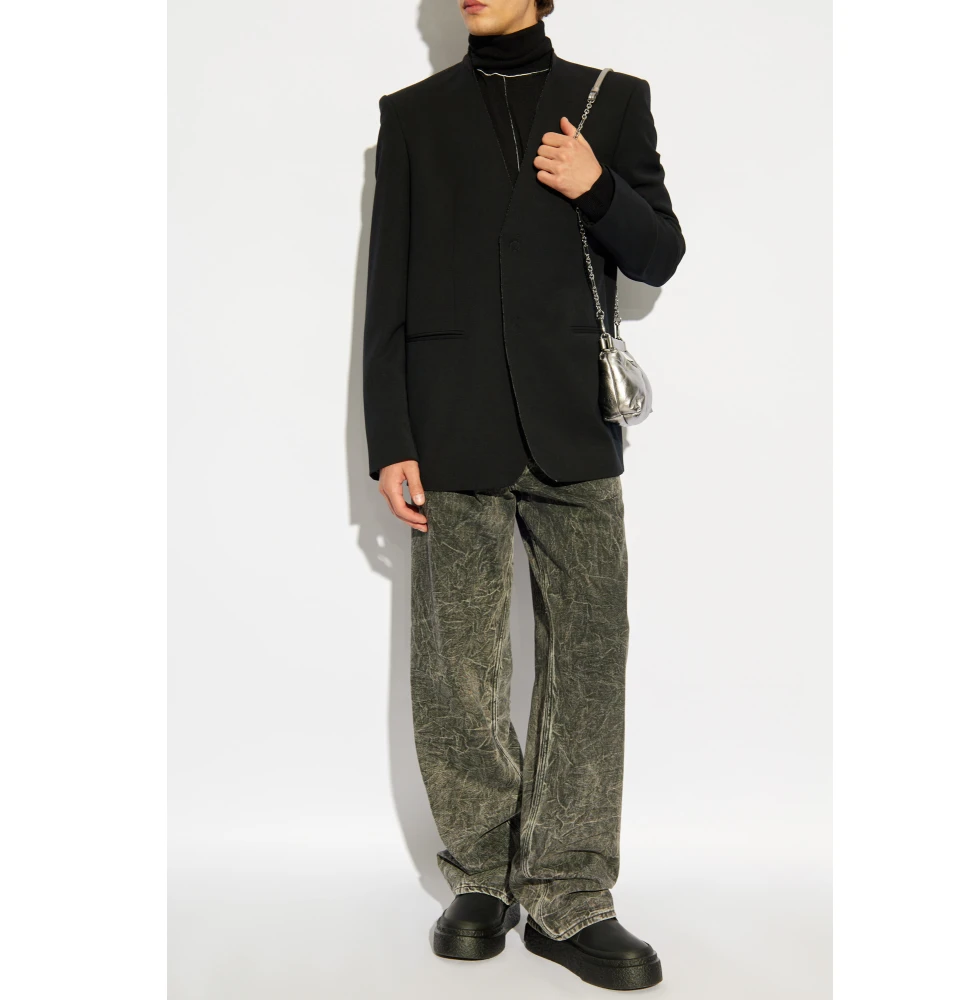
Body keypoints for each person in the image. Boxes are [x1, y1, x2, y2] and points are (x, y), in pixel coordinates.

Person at [362, 0, 685, 990]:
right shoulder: (413, 115)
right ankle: (481, 874)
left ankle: (569, 891)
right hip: (450, 423)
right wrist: (391, 438)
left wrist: (597, 188)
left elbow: (659, 254)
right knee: (456, 663)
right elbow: (388, 283)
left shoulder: (612, 102)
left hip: (571, 424)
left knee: (589, 655)